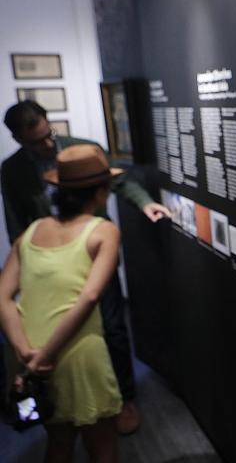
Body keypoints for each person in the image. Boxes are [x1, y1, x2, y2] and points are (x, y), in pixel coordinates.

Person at [0, 101, 171, 434]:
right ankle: (63, 400)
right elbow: (16, 223)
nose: (47, 145)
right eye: (36, 142)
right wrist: (26, 265)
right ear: (19, 140)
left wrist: (145, 202)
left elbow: (120, 182)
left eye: (48, 136)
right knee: (64, 331)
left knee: (111, 326)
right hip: (48, 260)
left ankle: (122, 397)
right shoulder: (13, 171)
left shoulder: (83, 151)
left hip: (89, 251)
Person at [0, 144, 125, 462]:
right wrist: (47, 354)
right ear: (100, 192)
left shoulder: (31, 232)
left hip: (29, 350)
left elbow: (2, 296)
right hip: (75, 351)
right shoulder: (104, 230)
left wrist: (25, 352)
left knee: (58, 442)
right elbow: (90, 295)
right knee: (102, 446)